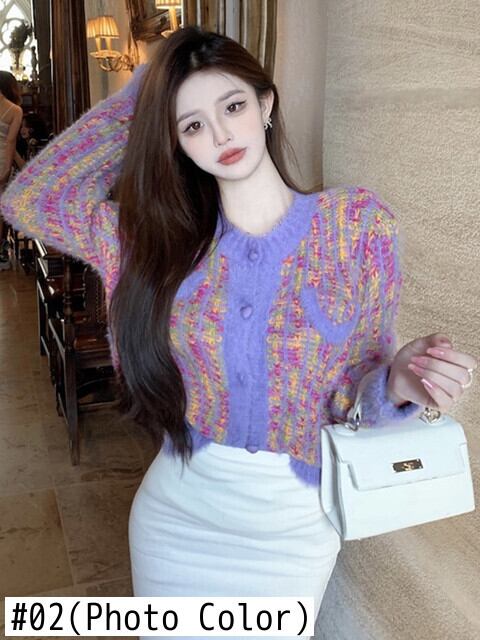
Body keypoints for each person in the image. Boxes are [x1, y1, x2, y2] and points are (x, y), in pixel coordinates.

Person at [0, 26, 477, 639]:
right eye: (193, 125)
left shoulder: (356, 228)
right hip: (178, 516)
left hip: (294, 530)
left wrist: (399, 383)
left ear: (265, 103)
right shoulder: (153, 242)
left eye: (232, 107)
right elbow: (30, 199)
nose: (221, 135)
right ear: (175, 142)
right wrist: (146, 92)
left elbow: (360, 397)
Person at [0, 70, 23, 269]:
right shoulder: (15, 110)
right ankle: (1, 252)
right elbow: (10, 142)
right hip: (3, 160)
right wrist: (7, 169)